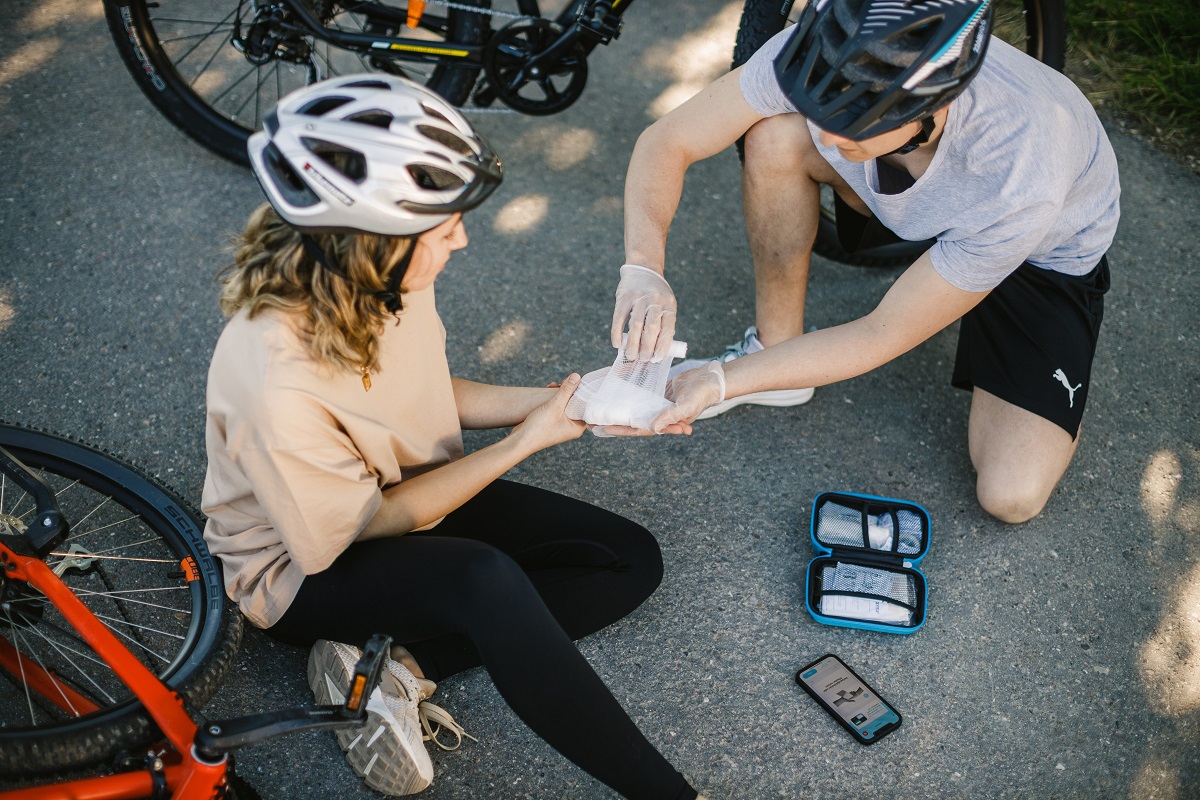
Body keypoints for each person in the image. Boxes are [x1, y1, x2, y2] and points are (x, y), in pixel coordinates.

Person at [201, 74, 704, 800]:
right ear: (372, 240)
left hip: (400, 489)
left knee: (630, 560)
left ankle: (394, 668)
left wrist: (581, 401)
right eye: (443, 230)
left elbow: (427, 392)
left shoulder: (385, 278)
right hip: (300, 570)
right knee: (485, 579)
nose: (462, 238)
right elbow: (359, 529)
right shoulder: (275, 381)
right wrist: (524, 442)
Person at [610, 0, 1120, 523]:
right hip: (927, 192)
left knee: (1011, 496)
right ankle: (778, 353)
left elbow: (881, 332)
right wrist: (643, 269)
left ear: (931, 106)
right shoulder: (826, 51)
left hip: (1036, 260)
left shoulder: (1021, 171)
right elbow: (668, 140)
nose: (827, 138)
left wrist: (719, 379)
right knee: (776, 136)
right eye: (819, 108)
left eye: (851, 123)